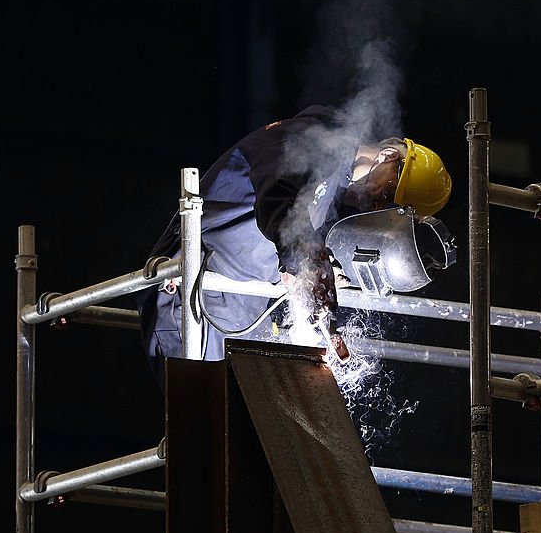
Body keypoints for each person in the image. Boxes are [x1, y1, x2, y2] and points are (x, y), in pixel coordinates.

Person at [134, 104, 452, 387]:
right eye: (387, 194)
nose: (376, 206)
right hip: (193, 295)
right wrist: (308, 264)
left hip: (240, 307)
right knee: (204, 421)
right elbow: (278, 200)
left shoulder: (333, 194)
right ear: (388, 157)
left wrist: (327, 273)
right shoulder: (317, 138)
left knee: (242, 427)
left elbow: (297, 241)